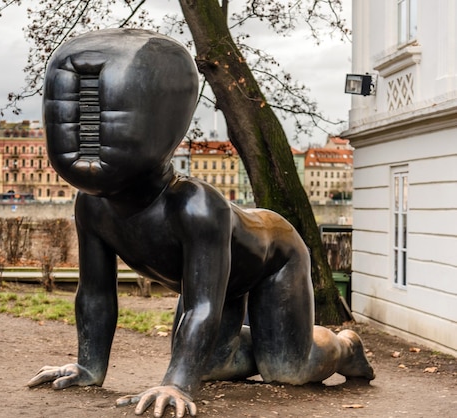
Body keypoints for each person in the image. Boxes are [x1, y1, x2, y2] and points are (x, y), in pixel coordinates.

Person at [28, 28, 375, 418]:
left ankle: (344, 346)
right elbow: (95, 293)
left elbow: (202, 304)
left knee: (289, 370)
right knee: (209, 365)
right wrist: (89, 367)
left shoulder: (194, 207)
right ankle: (270, 341)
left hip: (273, 261)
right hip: (214, 288)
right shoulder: (92, 206)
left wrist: (176, 383)